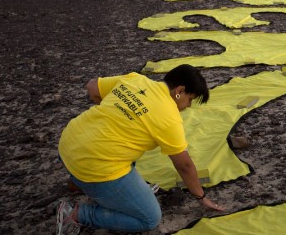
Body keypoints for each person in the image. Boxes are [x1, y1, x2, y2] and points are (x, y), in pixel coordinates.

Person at [56, 64, 225, 234]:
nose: (188, 105)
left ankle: (78, 182)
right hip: (94, 168)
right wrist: (201, 197)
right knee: (149, 218)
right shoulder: (169, 119)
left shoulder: (136, 79)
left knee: (129, 140)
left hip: (67, 144)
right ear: (179, 91)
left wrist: (118, 117)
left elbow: (92, 86)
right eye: (190, 99)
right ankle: (77, 215)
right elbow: (184, 166)